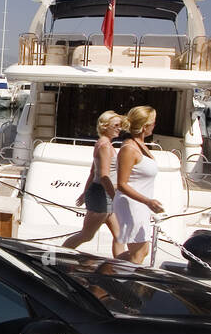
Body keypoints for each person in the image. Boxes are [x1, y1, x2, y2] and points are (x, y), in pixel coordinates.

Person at [62, 111, 124, 257]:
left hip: (103, 193)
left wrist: (85, 193)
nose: (119, 128)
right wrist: (115, 197)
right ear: (105, 126)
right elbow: (103, 176)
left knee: (120, 236)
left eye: (120, 125)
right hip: (103, 194)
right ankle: (58, 257)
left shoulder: (104, 143)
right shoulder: (105, 146)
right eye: (116, 125)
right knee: (87, 235)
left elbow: (92, 172)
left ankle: (121, 267)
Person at [113, 105, 164, 264]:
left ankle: (109, 270)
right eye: (153, 123)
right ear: (145, 127)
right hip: (131, 205)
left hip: (140, 205)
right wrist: (148, 201)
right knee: (138, 253)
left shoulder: (140, 145)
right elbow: (121, 184)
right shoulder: (129, 148)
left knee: (142, 251)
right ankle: (123, 283)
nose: (155, 126)